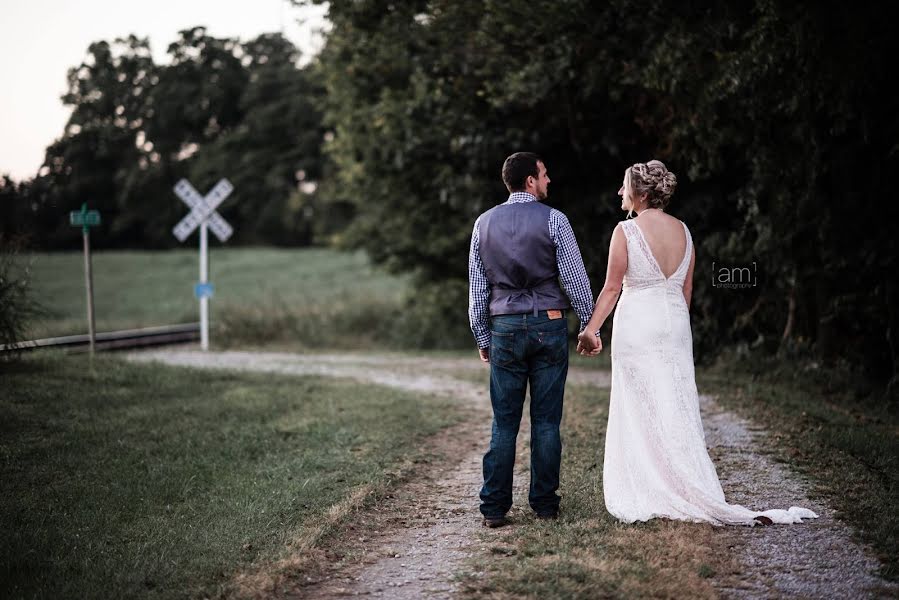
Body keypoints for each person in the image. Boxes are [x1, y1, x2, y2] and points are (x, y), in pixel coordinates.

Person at [576, 160, 818, 526]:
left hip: (638, 322)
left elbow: (612, 288)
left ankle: (651, 485)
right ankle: (684, 479)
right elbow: (685, 291)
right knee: (674, 401)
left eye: (624, 187)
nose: (619, 193)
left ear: (640, 194)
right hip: (675, 323)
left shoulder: (625, 231)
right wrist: (674, 330)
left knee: (640, 402)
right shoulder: (685, 232)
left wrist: (592, 329)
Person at [468, 152, 594, 528]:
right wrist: (589, 325)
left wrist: (482, 336)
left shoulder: (483, 224)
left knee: (504, 423)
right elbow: (574, 280)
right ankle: (544, 504)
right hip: (549, 323)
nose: (549, 180)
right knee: (546, 422)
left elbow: (478, 291)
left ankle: (494, 507)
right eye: (544, 174)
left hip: (504, 326)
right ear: (529, 181)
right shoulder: (555, 220)